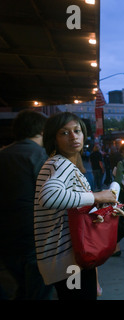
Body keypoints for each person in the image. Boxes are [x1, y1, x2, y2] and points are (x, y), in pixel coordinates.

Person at [34, 112, 117, 300]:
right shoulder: (60, 163)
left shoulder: (61, 164)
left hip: (71, 261)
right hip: (68, 263)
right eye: (64, 133)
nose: (73, 136)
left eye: (77, 130)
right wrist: (98, 196)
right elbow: (49, 196)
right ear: (53, 139)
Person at [0, 109, 53, 300]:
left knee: (22, 287)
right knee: (39, 290)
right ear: (41, 131)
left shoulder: (3, 154)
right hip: (36, 236)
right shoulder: (40, 156)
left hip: (6, 236)